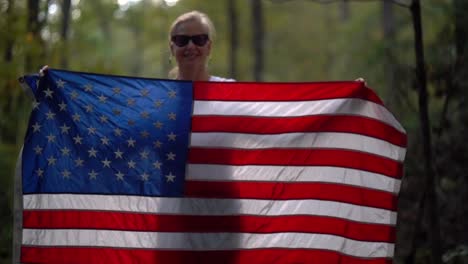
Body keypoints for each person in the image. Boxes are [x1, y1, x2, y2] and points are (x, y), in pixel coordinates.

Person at [168, 10, 234, 82]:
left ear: (209, 47)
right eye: (182, 40)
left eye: (199, 39)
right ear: (172, 48)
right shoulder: (162, 92)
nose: (191, 46)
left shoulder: (230, 89)